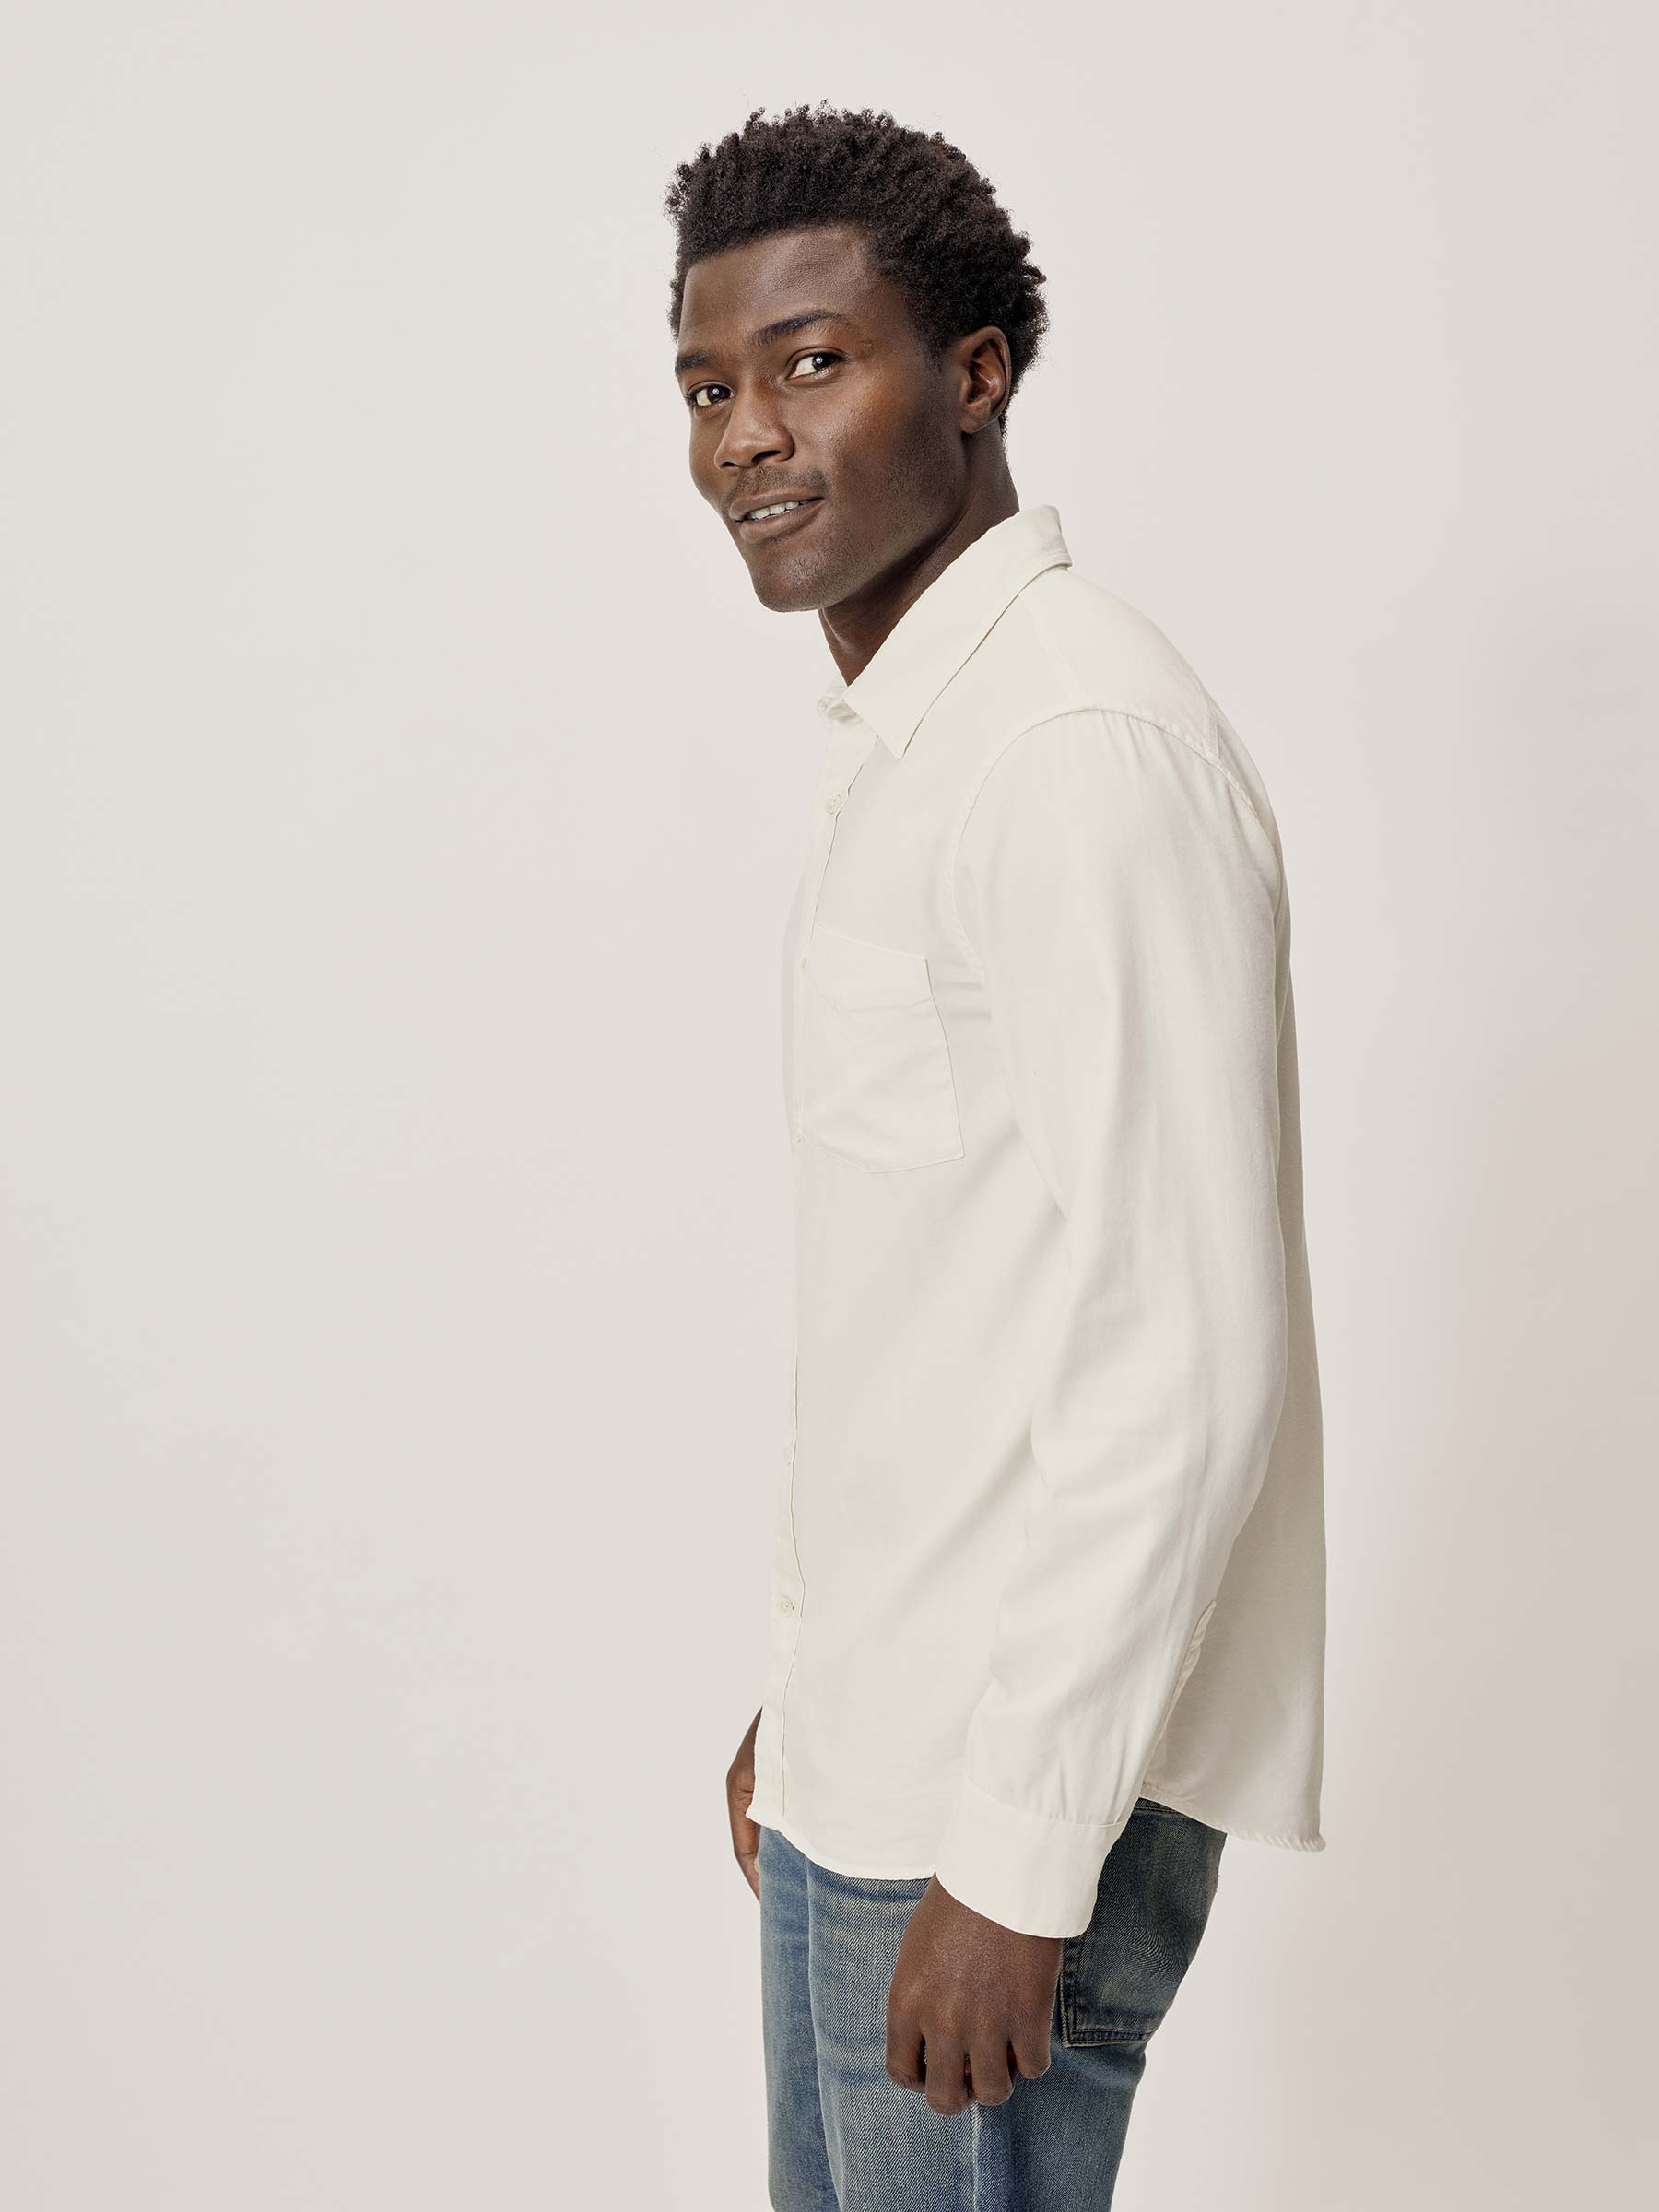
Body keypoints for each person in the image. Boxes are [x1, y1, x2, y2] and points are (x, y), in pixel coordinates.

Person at [663, 102, 1327, 2210]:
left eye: (810, 362)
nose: (747, 436)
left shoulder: (1070, 749)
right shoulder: (927, 745)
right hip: (878, 1769)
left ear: (973, 375)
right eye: (708, 386)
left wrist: (1023, 1863)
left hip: (1000, 1814)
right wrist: (818, 1696)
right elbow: (952, 1303)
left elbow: (1183, 1352)